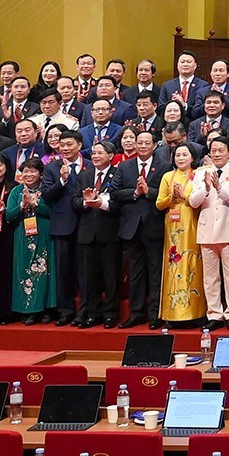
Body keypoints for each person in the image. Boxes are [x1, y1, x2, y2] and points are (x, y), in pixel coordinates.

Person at [111, 130, 166, 328]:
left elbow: (166, 194)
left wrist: (149, 192)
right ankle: (136, 312)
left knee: (155, 270)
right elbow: (114, 192)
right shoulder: (124, 166)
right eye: (139, 143)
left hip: (154, 225)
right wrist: (135, 193)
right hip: (131, 227)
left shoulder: (164, 166)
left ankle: (155, 314)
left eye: (146, 143)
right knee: (135, 271)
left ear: (154, 145)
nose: (142, 146)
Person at [155, 142, 206, 327]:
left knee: (194, 264)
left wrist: (184, 195)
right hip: (173, 228)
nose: (181, 158)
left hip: (193, 224)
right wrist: (173, 198)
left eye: (185, 155)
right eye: (177, 155)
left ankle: (197, 312)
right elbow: (159, 204)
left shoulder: (198, 175)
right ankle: (173, 314)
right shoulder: (168, 176)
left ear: (192, 157)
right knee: (173, 266)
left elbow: (201, 200)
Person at [74, 140, 122, 328]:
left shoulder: (117, 174)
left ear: (110, 155)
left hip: (110, 232)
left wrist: (101, 203)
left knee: (111, 276)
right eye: (93, 153)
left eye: (99, 153)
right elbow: (74, 201)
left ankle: (111, 313)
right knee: (90, 277)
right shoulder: (84, 176)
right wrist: (86, 202)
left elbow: (120, 202)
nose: (95, 156)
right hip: (87, 232)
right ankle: (93, 313)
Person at [7, 157, 56, 322]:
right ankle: (29, 310)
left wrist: (36, 204)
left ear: (41, 174)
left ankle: (48, 309)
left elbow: (52, 212)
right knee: (24, 269)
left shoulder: (47, 189)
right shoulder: (16, 191)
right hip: (23, 235)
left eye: (33, 170)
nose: (29, 174)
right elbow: (9, 215)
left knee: (46, 270)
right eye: (25, 171)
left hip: (44, 234)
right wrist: (22, 205)